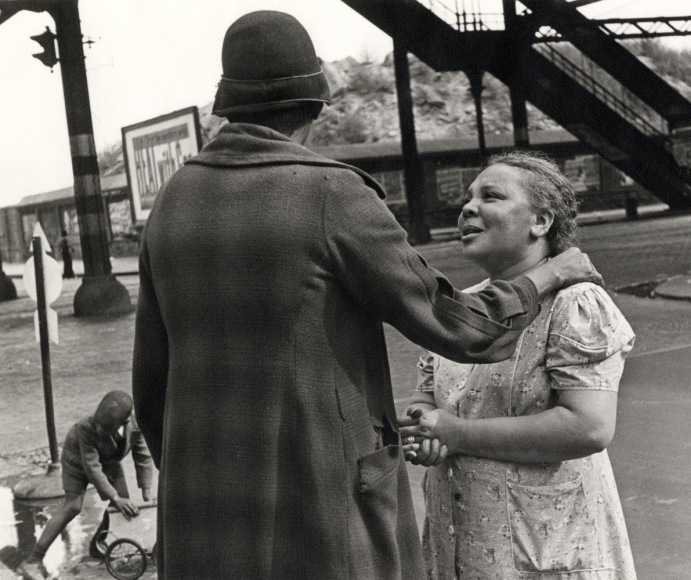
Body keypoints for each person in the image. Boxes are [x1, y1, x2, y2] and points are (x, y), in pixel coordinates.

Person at [131, 11, 603, 580]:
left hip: (207, 517)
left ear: (227, 105)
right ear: (314, 108)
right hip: (323, 514)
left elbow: (150, 384)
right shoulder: (331, 191)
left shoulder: (172, 202)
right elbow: (460, 327)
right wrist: (547, 275)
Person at [400, 151, 638, 579]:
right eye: (467, 199)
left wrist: (456, 433)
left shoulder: (573, 303)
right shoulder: (464, 307)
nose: (469, 208)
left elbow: (589, 427)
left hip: (544, 551)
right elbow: (428, 391)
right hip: (462, 545)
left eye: (491, 196)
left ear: (541, 222)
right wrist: (424, 427)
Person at [18, 391, 153, 580]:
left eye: (104, 428)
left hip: (110, 463)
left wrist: (146, 492)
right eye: (97, 424)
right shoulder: (85, 427)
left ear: (124, 422)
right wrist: (114, 496)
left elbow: (142, 454)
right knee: (73, 506)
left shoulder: (135, 425)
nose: (97, 430)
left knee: (123, 505)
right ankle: (33, 560)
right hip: (78, 463)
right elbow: (92, 467)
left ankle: (98, 544)